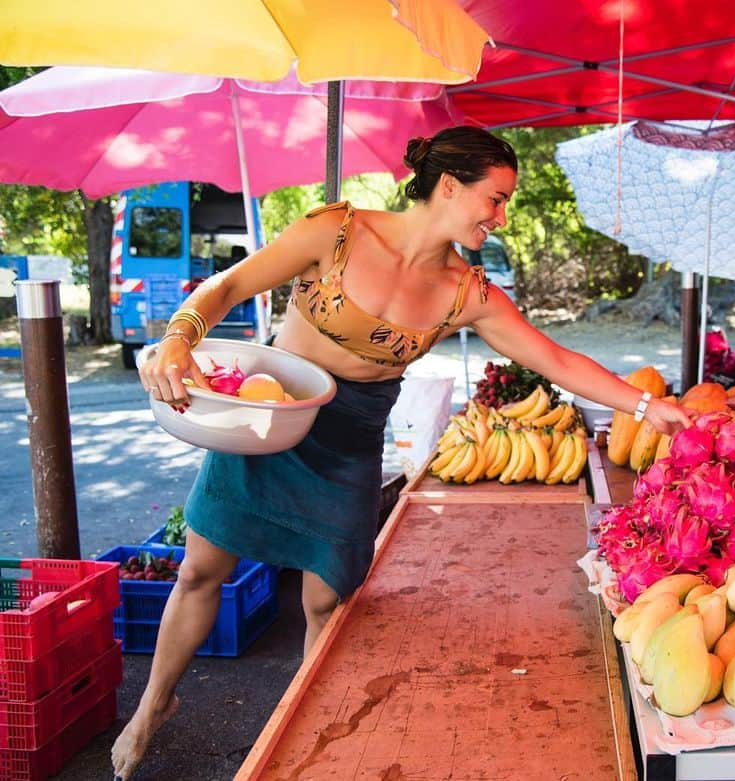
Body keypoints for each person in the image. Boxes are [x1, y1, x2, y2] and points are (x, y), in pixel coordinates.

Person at [112, 126, 691, 780]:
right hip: (268, 419)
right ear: (449, 185)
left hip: (349, 445)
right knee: (199, 570)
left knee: (327, 604)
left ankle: (305, 750)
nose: (501, 218)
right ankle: (152, 706)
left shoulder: (464, 291)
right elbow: (229, 286)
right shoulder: (334, 231)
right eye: (495, 199)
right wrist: (180, 335)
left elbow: (554, 358)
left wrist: (645, 407)